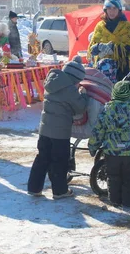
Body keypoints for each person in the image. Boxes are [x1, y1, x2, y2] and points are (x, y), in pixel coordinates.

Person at [28, 57, 88, 199]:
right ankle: (60, 191)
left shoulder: (53, 81)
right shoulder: (69, 89)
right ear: (75, 79)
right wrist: (83, 95)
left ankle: (34, 188)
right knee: (59, 161)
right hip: (60, 133)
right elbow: (80, 107)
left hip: (44, 130)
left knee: (42, 158)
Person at [88, 81, 130, 207]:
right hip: (129, 151)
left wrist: (93, 146)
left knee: (113, 176)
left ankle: (115, 199)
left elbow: (99, 129)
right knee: (129, 176)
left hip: (111, 152)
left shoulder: (107, 109)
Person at [88, 0, 130, 83]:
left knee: (120, 96)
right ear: (105, 10)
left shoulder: (126, 26)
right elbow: (92, 50)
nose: (112, 11)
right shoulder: (100, 26)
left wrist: (113, 48)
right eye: (109, 8)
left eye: (114, 8)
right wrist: (99, 47)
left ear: (119, 10)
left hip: (122, 70)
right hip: (103, 71)